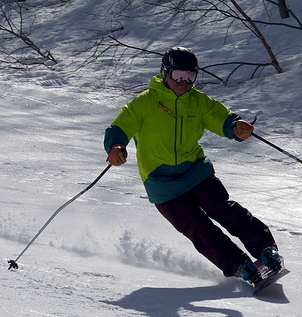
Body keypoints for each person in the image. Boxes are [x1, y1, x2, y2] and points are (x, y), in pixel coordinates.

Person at [103, 46, 283, 286]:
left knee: (224, 209)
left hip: (196, 170)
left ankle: (266, 251)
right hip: (161, 182)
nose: (184, 82)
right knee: (198, 228)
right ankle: (240, 266)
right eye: (178, 76)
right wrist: (116, 146)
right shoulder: (144, 103)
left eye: (190, 77)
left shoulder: (197, 102)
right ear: (165, 73)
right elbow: (120, 127)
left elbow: (222, 118)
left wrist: (235, 127)